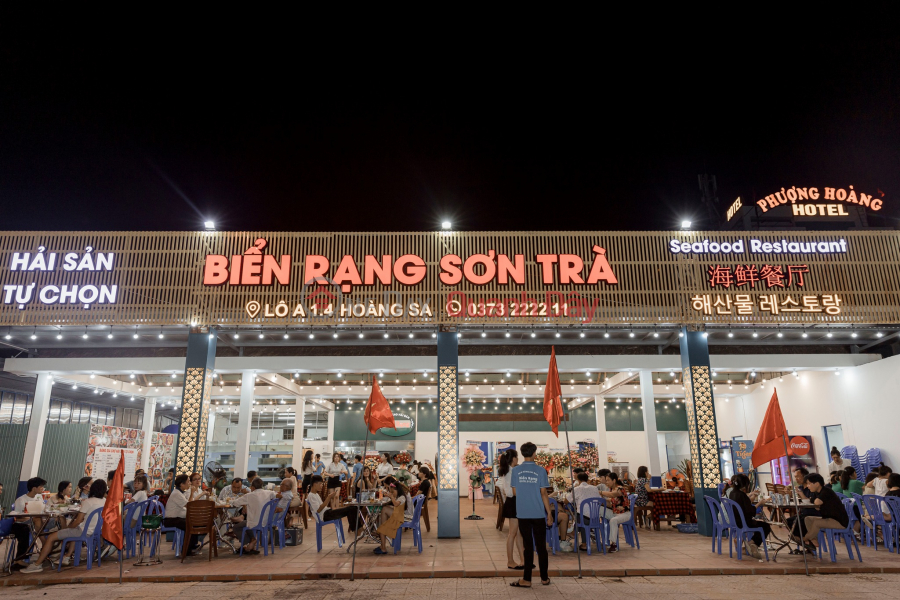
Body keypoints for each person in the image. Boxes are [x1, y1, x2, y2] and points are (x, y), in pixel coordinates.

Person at [21, 479, 107, 573]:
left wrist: (69, 527)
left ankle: (37, 564)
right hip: (95, 531)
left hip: (83, 531)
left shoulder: (88, 502)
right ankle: (67, 556)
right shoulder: (105, 501)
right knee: (72, 531)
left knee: (51, 537)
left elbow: (78, 521)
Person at [510, 442, 552, 589]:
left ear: (522, 454)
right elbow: (544, 493)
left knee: (528, 547)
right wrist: (549, 514)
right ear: (534, 454)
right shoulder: (541, 471)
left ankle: (526, 579)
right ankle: (544, 578)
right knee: (541, 547)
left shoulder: (516, 471)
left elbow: (515, 493)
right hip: (538, 513)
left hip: (523, 513)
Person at [802, 473, 849, 551]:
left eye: (809, 483)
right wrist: (814, 500)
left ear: (817, 484)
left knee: (816, 522)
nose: (807, 486)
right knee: (808, 519)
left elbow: (817, 502)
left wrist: (815, 500)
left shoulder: (826, 491)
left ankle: (804, 539)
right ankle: (813, 539)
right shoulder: (817, 492)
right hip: (828, 518)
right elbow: (813, 500)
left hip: (839, 521)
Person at [230, 477, 275, 554]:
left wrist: (232, 501)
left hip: (254, 522)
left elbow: (235, 503)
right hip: (267, 521)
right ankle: (251, 541)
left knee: (236, 527)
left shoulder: (249, 495)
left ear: (253, 487)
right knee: (246, 522)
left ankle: (250, 542)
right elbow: (276, 496)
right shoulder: (269, 493)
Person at [729, 473, 769, 559]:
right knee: (766, 526)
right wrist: (760, 503)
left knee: (760, 524)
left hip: (736, 521)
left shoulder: (732, 494)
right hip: (744, 522)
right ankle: (752, 543)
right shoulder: (742, 495)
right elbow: (750, 512)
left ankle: (749, 543)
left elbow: (744, 506)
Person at [11, 477, 47, 569]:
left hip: (37, 523)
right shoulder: (21, 500)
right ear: (34, 488)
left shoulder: (39, 498)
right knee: (32, 523)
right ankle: (45, 544)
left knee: (56, 521)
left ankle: (49, 546)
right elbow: (17, 517)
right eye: (41, 487)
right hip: (21, 523)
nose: (42, 489)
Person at [497, 450, 524, 569]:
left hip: (513, 501)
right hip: (513, 502)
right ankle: (510, 561)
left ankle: (523, 560)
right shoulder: (512, 471)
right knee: (512, 533)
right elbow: (512, 491)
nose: (518, 459)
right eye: (517, 457)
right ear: (513, 458)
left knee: (518, 533)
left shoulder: (508, 470)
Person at [163, 474, 202, 556]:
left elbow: (188, 504)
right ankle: (187, 549)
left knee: (193, 522)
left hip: (178, 517)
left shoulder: (180, 493)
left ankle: (192, 546)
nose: (190, 483)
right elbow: (189, 505)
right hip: (171, 519)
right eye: (188, 482)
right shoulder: (176, 493)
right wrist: (192, 493)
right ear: (182, 484)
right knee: (190, 525)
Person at [374, 477, 412, 554]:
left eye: (393, 492)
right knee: (385, 508)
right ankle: (383, 545)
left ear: (397, 490)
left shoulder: (401, 497)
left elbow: (395, 504)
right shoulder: (400, 496)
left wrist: (391, 497)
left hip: (401, 517)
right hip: (400, 514)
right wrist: (391, 496)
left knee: (384, 511)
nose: (392, 493)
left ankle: (383, 548)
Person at [566, 471, 602, 552]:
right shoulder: (595, 488)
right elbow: (600, 499)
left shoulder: (577, 489)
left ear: (578, 480)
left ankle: (576, 535)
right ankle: (582, 540)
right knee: (581, 516)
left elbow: (566, 501)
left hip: (583, 519)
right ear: (587, 479)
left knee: (580, 517)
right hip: (595, 518)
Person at [599, 472, 631, 553]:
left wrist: (601, 492)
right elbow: (611, 502)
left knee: (613, 520)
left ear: (614, 480)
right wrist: (602, 500)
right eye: (606, 480)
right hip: (614, 513)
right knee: (598, 509)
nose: (606, 482)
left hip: (624, 514)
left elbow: (612, 495)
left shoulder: (620, 488)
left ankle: (614, 544)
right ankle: (592, 528)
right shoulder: (611, 489)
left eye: (608, 480)